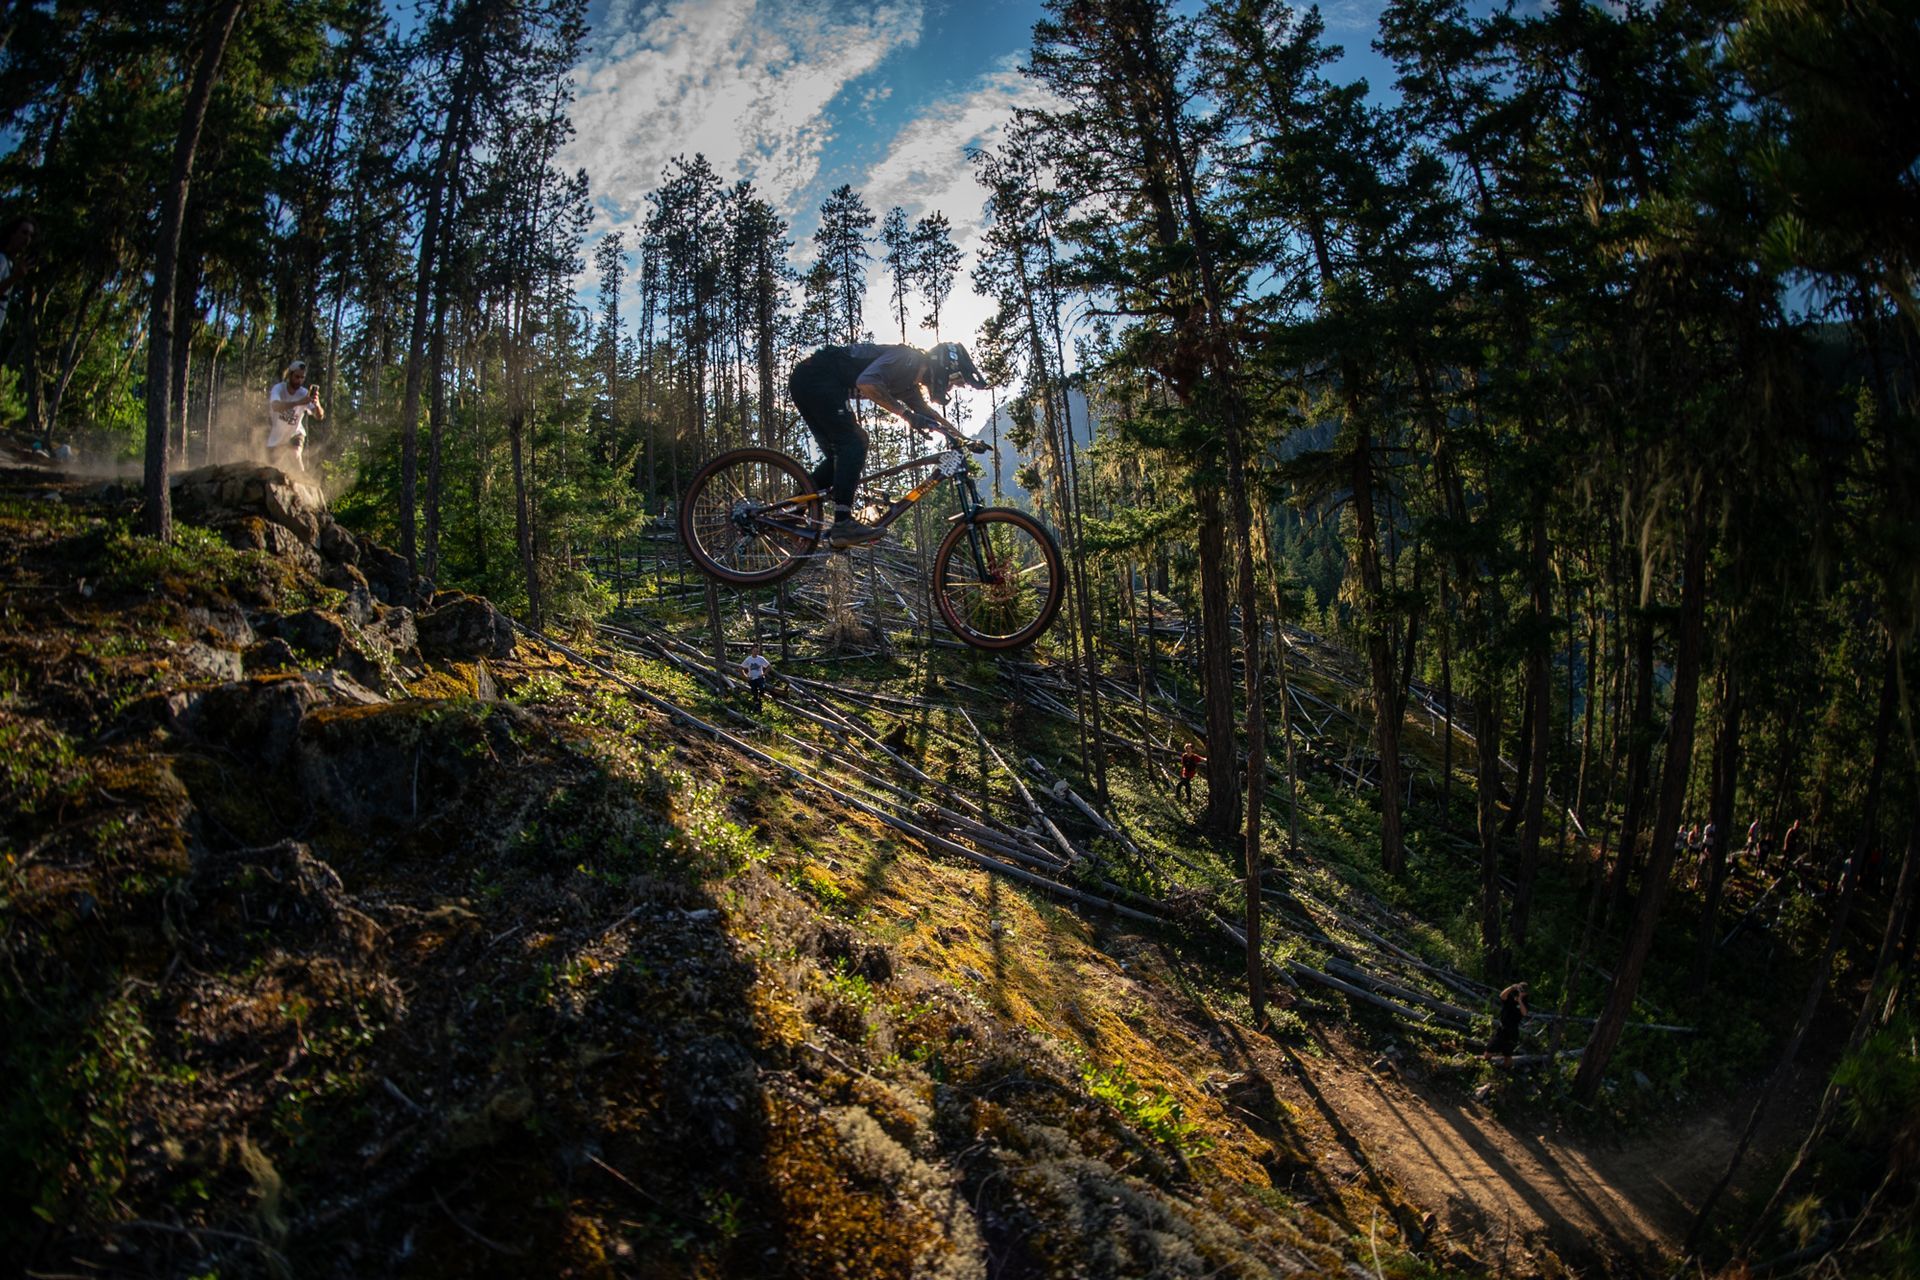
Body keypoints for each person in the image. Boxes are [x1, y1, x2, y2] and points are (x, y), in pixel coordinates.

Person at [788, 340, 988, 547]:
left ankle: (794, 511)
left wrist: (964, 439)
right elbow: (867, 382)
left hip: (807, 381)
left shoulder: (910, 382)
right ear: (944, 367)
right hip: (816, 378)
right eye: (953, 381)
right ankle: (843, 523)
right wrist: (906, 414)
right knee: (855, 443)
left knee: (839, 456)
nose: (949, 387)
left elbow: (929, 414)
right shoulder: (907, 359)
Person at [267, 360, 324, 473]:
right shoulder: (279, 389)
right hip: (276, 437)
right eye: (297, 377)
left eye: (302, 378)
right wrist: (299, 402)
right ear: (290, 375)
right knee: (271, 469)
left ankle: (303, 480)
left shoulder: (304, 393)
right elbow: (275, 406)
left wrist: (317, 405)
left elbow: (319, 416)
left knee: (295, 455)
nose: (299, 380)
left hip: (295, 433)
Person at [0, 214, 37, 339]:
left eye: (31, 235)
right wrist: (14, 277)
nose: (27, 238)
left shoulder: (10, 263)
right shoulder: (1, 260)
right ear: (12, 233)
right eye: (24, 232)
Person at [1484, 982, 1529, 1068]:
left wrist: (1520, 1000)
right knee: (1489, 1051)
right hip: (1502, 1029)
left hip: (1513, 1032)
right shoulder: (1510, 998)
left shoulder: (1524, 1003)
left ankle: (1506, 1070)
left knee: (1508, 1054)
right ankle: (1485, 1065)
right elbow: (1502, 996)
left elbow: (1524, 1013)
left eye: (1523, 991)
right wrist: (1512, 987)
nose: (1521, 992)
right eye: (1520, 990)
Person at [740, 645, 773, 713]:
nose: (756, 652)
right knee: (754, 693)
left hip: (760, 678)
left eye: (757, 651)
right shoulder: (748, 659)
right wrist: (746, 676)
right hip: (752, 679)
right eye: (755, 651)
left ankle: (760, 700)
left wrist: (764, 674)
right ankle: (757, 707)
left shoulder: (761, 658)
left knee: (762, 688)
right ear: (752, 651)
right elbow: (740, 668)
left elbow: (769, 666)